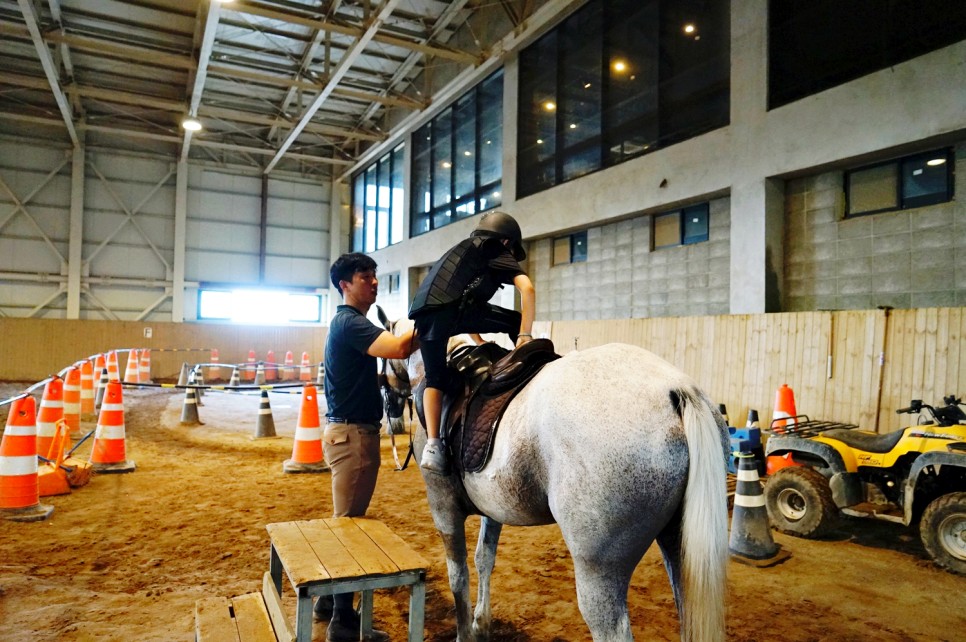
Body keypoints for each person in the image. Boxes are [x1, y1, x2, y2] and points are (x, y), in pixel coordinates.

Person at [318, 252, 418, 642]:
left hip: (349, 433)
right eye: (364, 276)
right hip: (354, 438)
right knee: (350, 529)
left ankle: (328, 602)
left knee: (345, 520)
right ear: (345, 284)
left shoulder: (349, 324)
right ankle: (342, 622)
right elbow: (398, 349)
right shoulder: (351, 323)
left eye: (375, 275)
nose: (373, 282)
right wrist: (431, 320)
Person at [408, 211, 535, 474]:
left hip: (425, 316)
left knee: (436, 379)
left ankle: (433, 446)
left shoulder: (462, 253)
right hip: (454, 313)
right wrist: (524, 335)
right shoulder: (493, 249)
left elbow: (461, 300)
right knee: (514, 321)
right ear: (506, 242)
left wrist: (477, 340)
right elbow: (528, 289)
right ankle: (523, 374)